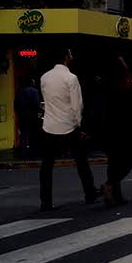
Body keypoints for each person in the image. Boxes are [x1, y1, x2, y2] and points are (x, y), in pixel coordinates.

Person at [39, 47, 99, 211]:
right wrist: (79, 125)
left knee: (46, 166)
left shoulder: (44, 78)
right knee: (81, 163)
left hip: (49, 125)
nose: (72, 56)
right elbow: (77, 105)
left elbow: (46, 101)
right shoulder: (71, 78)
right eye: (70, 53)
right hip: (69, 126)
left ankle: (45, 201)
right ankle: (90, 193)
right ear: (66, 57)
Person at [100, 57, 132, 206]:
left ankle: (116, 194)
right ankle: (110, 185)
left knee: (113, 161)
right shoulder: (130, 86)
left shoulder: (105, 85)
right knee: (128, 159)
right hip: (125, 128)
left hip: (109, 128)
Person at [15, 77, 42, 159]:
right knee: (33, 135)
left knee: (23, 135)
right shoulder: (34, 91)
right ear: (31, 83)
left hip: (22, 117)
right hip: (32, 117)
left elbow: (16, 105)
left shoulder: (19, 92)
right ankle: (33, 153)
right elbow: (37, 104)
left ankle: (23, 153)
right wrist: (39, 114)